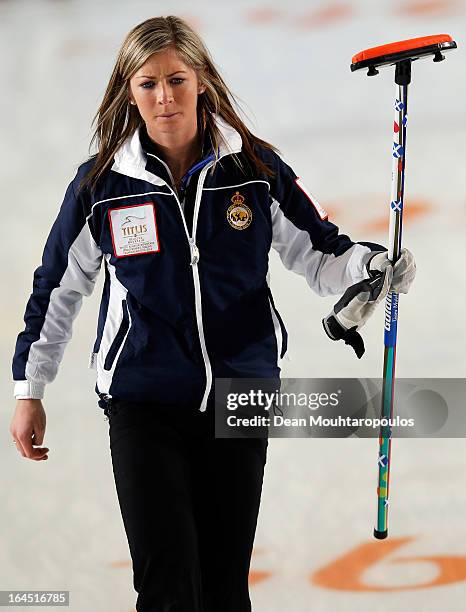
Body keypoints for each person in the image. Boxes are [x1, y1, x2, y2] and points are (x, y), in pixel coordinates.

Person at [9, 15, 415, 612]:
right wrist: (29, 388)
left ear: (201, 81)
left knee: (224, 587)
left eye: (176, 79)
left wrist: (370, 266)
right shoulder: (103, 185)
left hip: (241, 393)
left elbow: (320, 254)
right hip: (144, 400)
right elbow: (57, 289)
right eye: (148, 83)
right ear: (130, 89)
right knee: (168, 585)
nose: (164, 97)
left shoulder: (254, 169)